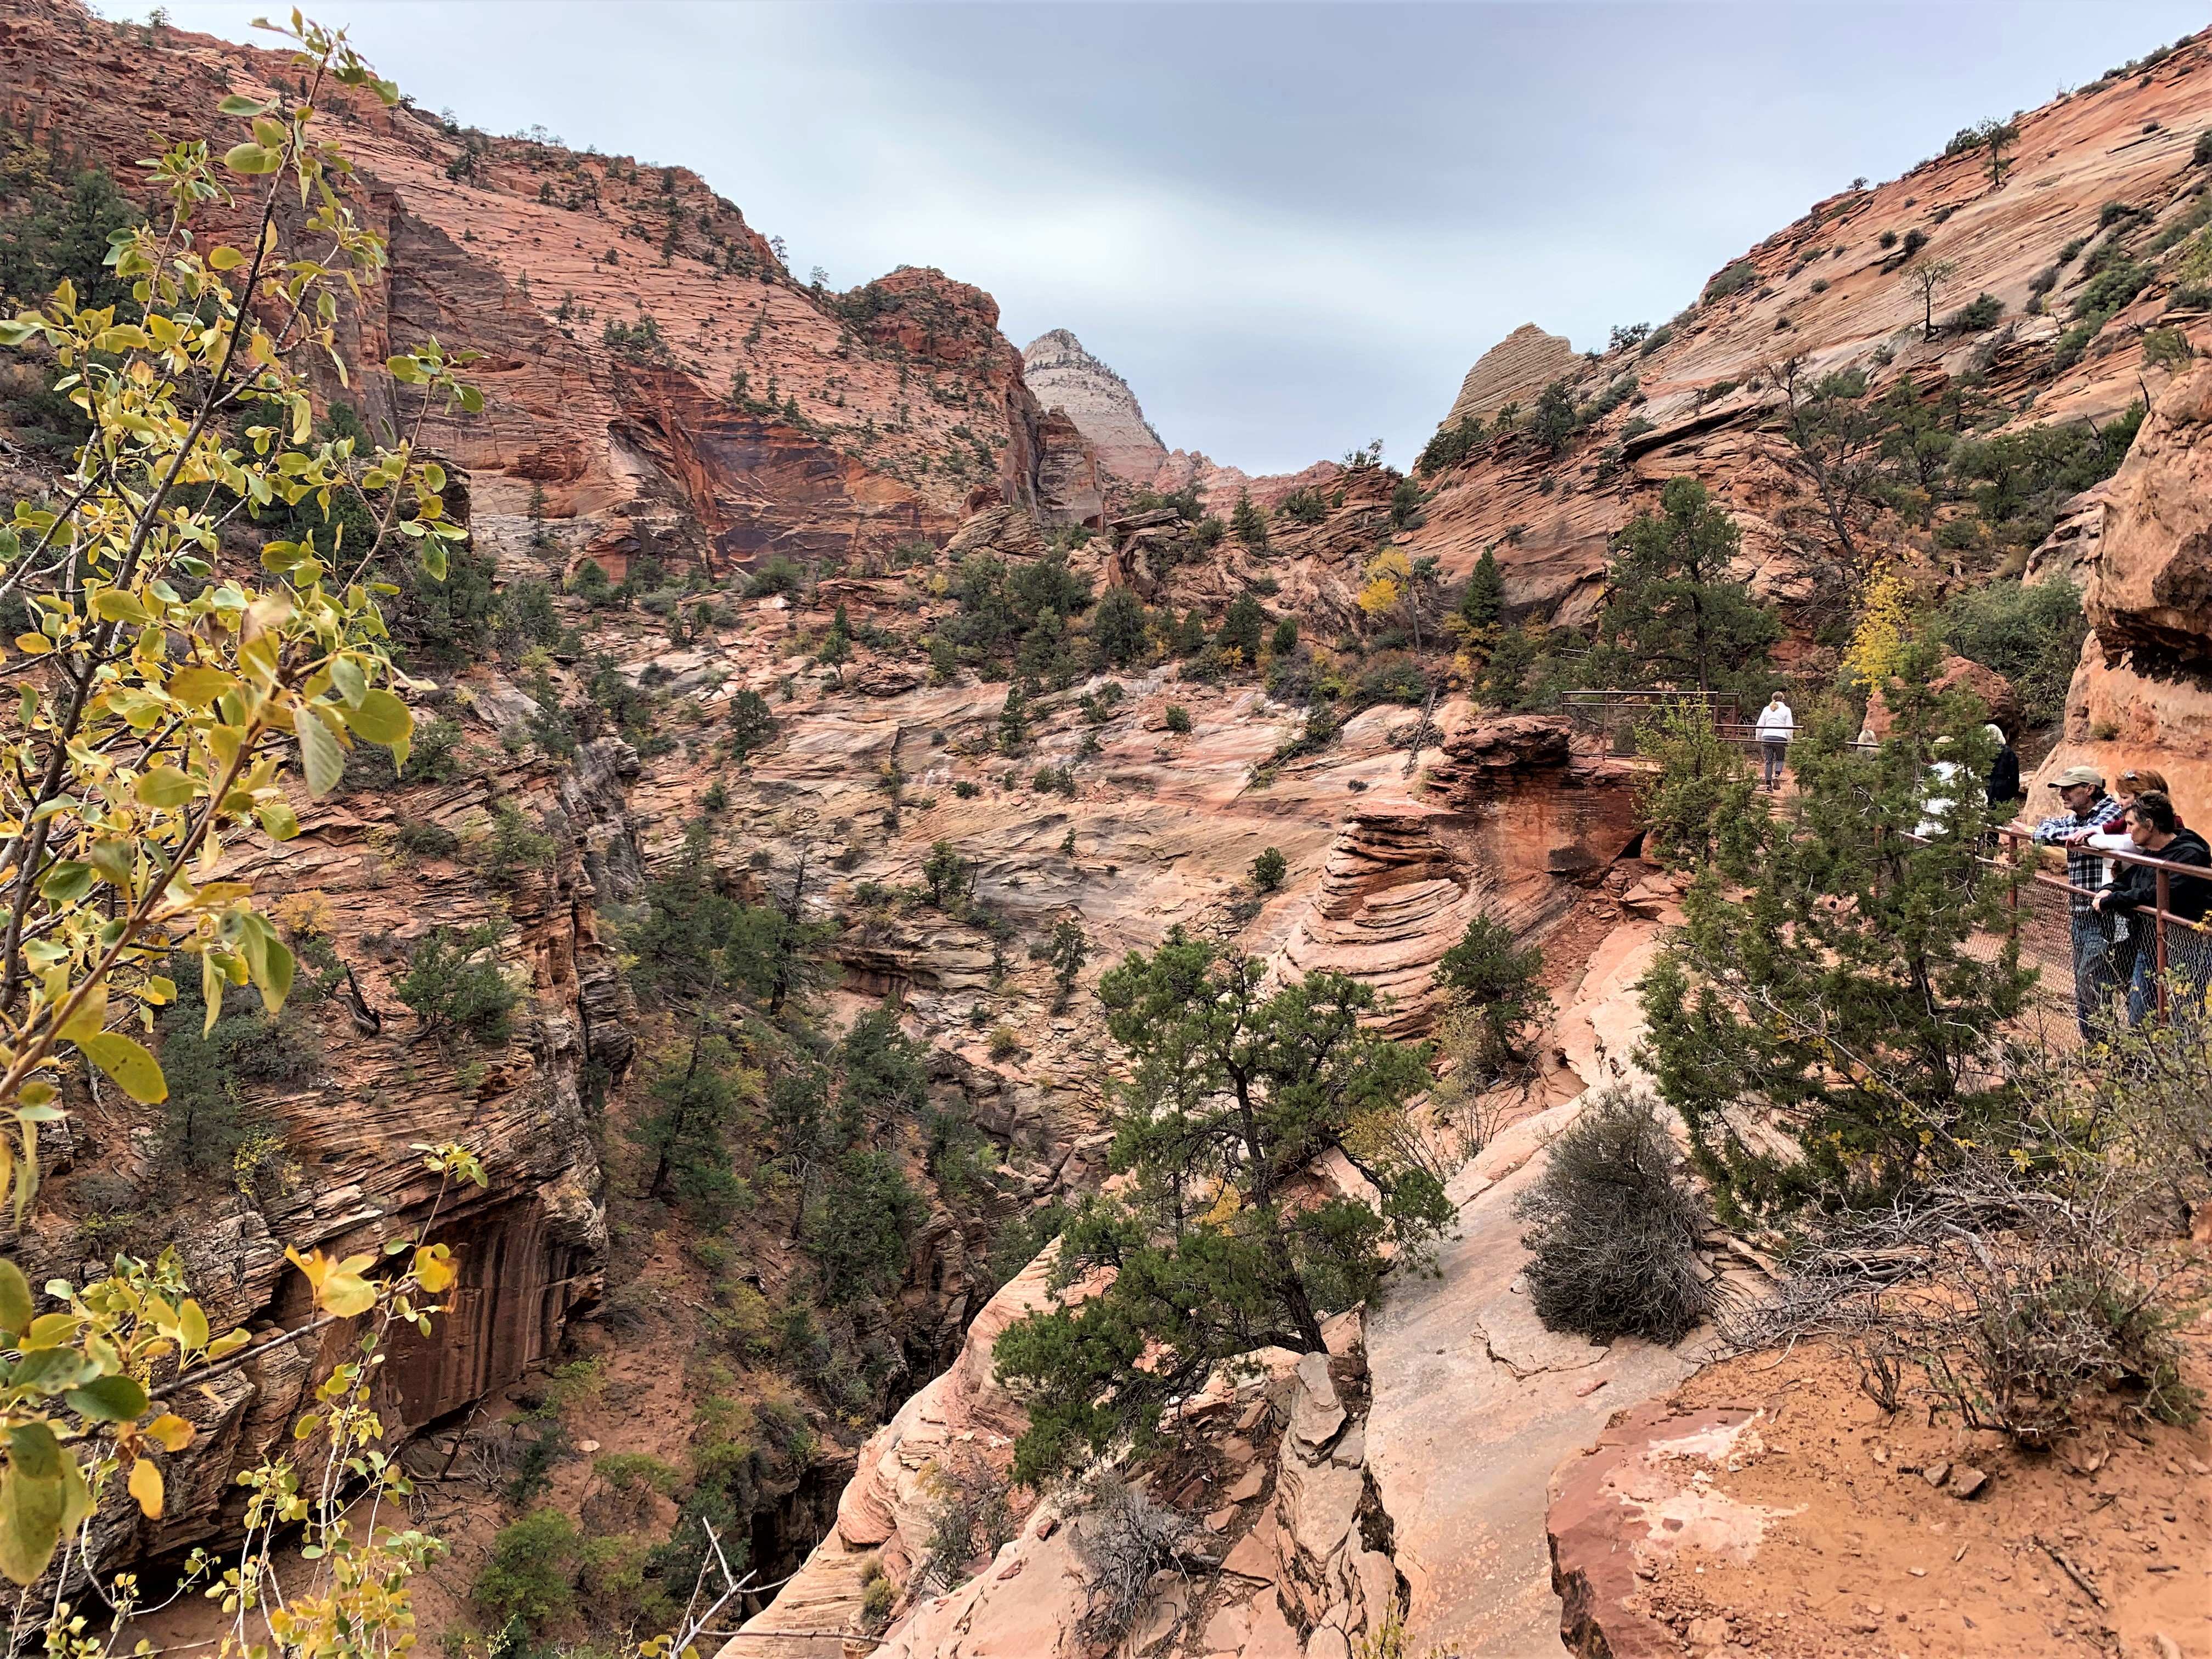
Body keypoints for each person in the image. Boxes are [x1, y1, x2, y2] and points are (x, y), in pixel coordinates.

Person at [2091, 790, 2212, 1023]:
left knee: (2182, 1019)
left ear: (2150, 825)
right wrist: (2110, 888)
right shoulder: (2151, 852)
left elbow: (2159, 893)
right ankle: (2142, 1060)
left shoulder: (2189, 855)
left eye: (2131, 824)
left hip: (2187, 948)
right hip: (2150, 946)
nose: (2127, 830)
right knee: (2139, 1017)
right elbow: (2131, 879)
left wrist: (2112, 900)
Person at [2032, 764, 2128, 1038]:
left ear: (2090, 789)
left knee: (2093, 979)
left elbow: (2099, 835)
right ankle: (2096, 1045)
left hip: (2106, 912)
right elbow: (2042, 830)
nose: (2062, 794)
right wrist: (2069, 836)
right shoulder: (2080, 818)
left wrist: (2083, 836)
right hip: (2081, 910)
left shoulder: (2111, 814)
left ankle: (2104, 1044)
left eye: (2069, 789)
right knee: (2085, 980)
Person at [1755, 692, 1795, 791]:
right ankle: (1776, 775)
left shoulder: (1766, 709)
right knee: (1780, 759)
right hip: (1780, 738)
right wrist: (1789, 740)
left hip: (1767, 737)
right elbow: (1789, 726)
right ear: (1783, 699)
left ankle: (1768, 785)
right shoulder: (1786, 710)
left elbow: (1760, 725)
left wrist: (1759, 738)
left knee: (1768, 761)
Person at [1984, 724, 2022, 809]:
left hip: (1989, 787)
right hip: (2004, 786)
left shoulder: (1983, 752)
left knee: (1992, 812)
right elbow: (2014, 772)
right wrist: (2015, 789)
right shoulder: (2007, 752)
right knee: (2007, 813)